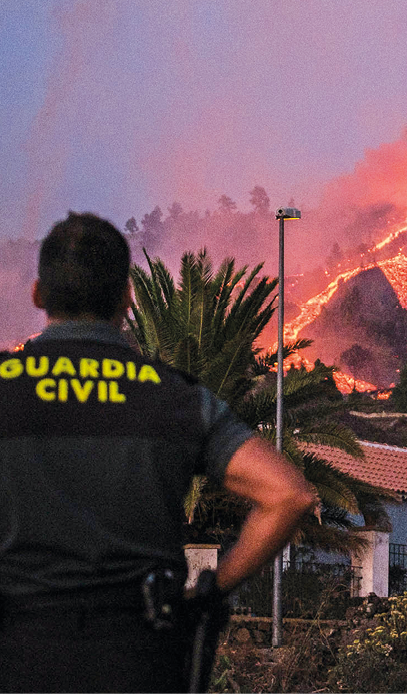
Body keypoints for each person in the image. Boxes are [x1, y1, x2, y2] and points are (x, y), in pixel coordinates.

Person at [0, 212, 318, 694]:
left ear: (38, 295)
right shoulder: (175, 398)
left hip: (19, 651)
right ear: (128, 295)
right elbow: (289, 494)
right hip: (140, 655)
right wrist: (208, 590)